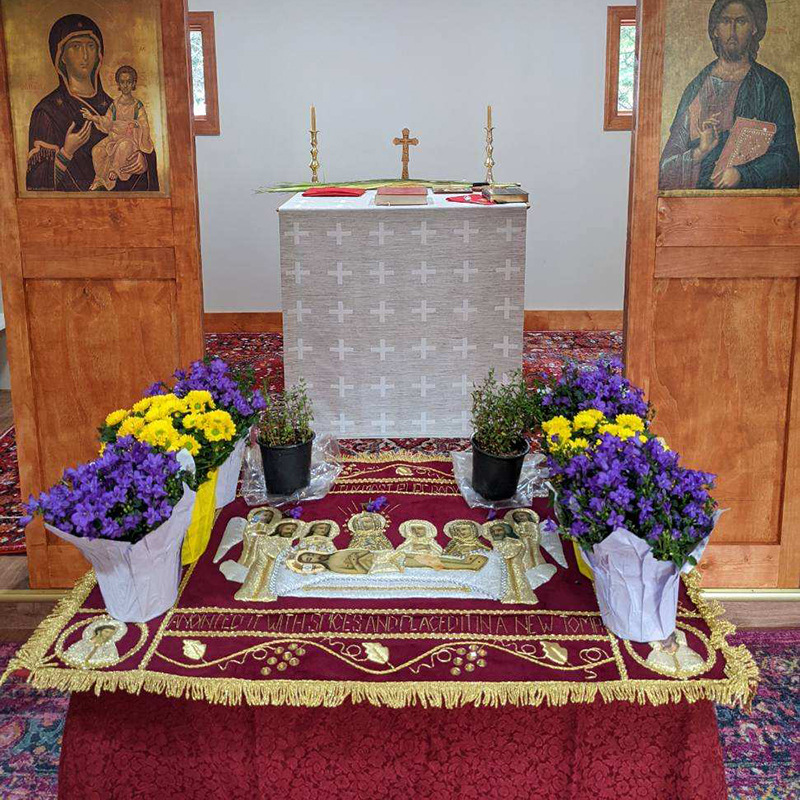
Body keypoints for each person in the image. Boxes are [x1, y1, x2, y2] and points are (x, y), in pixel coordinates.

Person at [659, 0, 799, 190]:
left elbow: (788, 160)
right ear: (715, 29)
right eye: (725, 21)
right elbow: (665, 170)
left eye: (741, 21)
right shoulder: (696, 90)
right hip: (698, 207)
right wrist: (700, 151)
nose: (732, 31)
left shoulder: (771, 86)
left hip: (755, 205)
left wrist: (744, 174)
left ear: (754, 28)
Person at [26, 14, 159, 191]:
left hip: (122, 209)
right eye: (75, 46)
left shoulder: (116, 106)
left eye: (90, 46)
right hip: (68, 212)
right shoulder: (48, 111)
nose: (85, 54)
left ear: (99, 54)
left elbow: (141, 144)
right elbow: (36, 182)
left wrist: (142, 163)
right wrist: (67, 152)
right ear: (61, 57)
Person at [81, 65, 154, 190]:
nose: (125, 85)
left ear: (133, 83)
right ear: (118, 84)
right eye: (122, 82)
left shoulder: (138, 106)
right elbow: (107, 122)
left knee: (123, 146)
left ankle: (114, 171)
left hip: (130, 140)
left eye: (129, 82)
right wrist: (92, 117)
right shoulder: (115, 104)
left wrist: (135, 125)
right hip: (114, 138)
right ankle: (99, 179)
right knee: (97, 150)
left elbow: (144, 126)